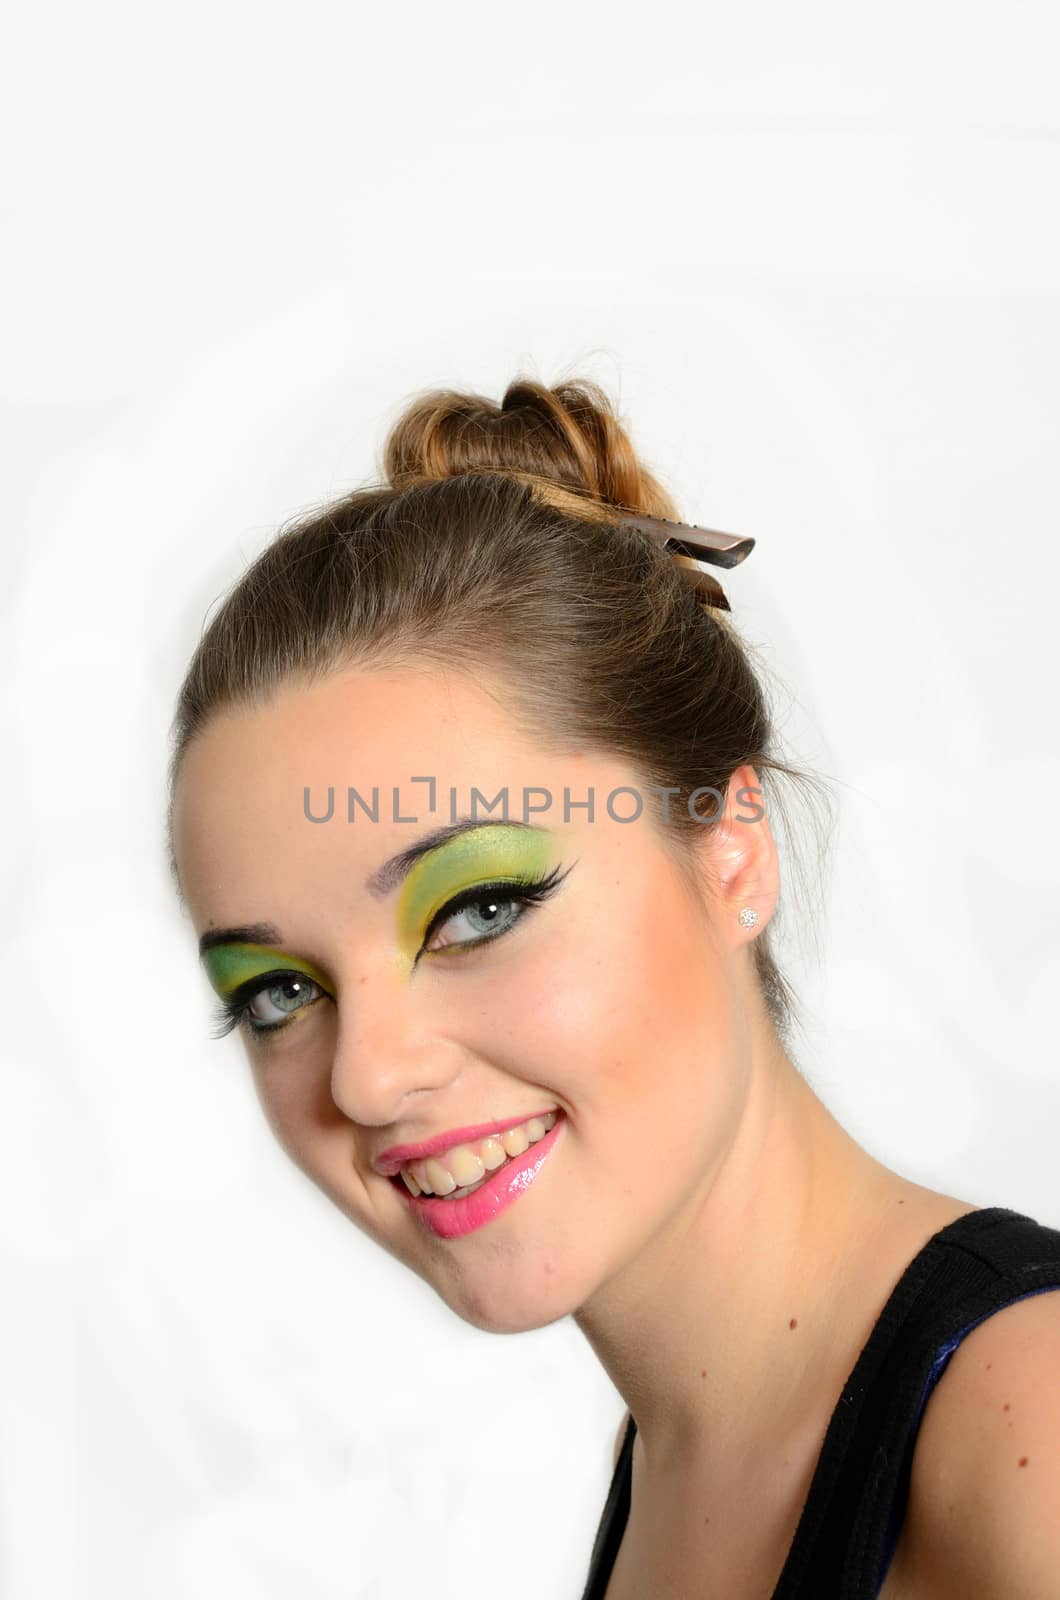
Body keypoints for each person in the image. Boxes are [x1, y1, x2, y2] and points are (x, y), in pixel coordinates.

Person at [166, 376, 1060, 1598]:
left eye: (479, 909)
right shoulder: (674, 1465)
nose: (367, 1074)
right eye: (277, 991)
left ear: (730, 852)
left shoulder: (1030, 1436)